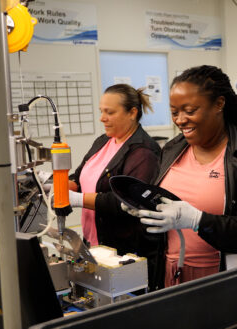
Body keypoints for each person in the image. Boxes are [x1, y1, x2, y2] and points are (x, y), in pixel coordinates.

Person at [124, 65, 237, 287]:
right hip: (172, 273)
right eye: (174, 112)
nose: (180, 120)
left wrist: (199, 221)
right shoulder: (172, 150)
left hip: (226, 280)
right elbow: (164, 205)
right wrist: (143, 206)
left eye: (190, 111)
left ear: (219, 104)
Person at [68, 84, 163, 290]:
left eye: (109, 112)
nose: (103, 118)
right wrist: (51, 185)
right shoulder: (103, 141)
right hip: (94, 243)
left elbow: (127, 201)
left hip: (125, 251)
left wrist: (77, 200)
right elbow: (79, 177)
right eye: (101, 111)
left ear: (132, 113)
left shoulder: (144, 152)